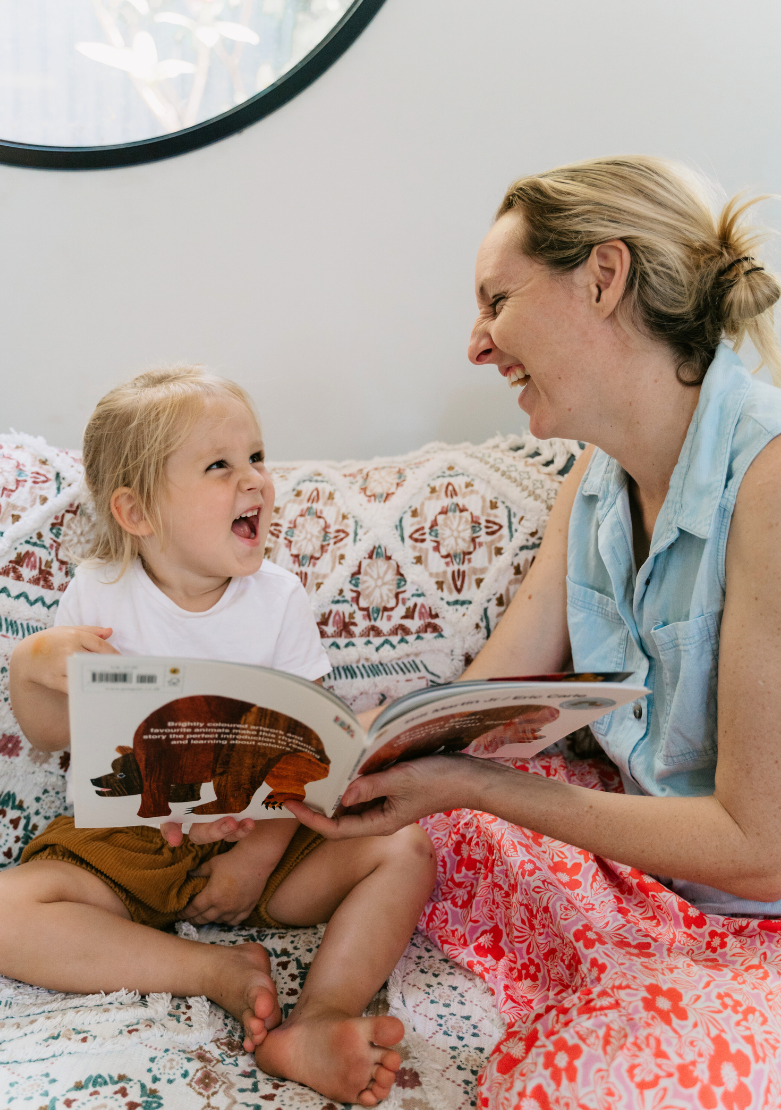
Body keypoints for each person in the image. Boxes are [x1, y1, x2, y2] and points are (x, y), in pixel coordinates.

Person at [288, 157, 781, 1105]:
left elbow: (760, 846)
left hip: (759, 909)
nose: (478, 346)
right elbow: (474, 706)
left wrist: (471, 782)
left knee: (571, 1083)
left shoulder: (766, 482)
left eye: (497, 302)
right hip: (652, 885)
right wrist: (372, 750)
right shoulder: (593, 486)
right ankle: (307, 1004)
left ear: (604, 278)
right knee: (405, 834)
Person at [0, 367, 436, 1107]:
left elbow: (307, 755)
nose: (254, 480)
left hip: (264, 836)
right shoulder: (100, 592)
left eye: (256, 457)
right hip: (132, 842)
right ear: (138, 510)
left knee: (404, 849)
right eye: (220, 465)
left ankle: (320, 1018)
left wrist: (258, 854)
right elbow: (48, 733)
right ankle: (209, 970)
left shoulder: (277, 598)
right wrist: (33, 666)